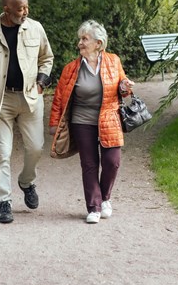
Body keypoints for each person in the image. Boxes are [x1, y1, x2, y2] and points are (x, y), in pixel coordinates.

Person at [0, 0, 54, 223]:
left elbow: (47, 57)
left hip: (30, 99)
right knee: (3, 152)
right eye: (20, 9)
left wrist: (41, 82)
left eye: (27, 7)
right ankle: (3, 202)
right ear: (6, 9)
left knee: (36, 147)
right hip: (1, 102)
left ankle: (26, 181)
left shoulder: (35, 28)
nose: (25, 12)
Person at [49, 20, 134, 223]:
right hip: (82, 119)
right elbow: (59, 97)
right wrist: (54, 122)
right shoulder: (71, 69)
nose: (80, 43)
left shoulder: (113, 61)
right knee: (89, 163)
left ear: (98, 43)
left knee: (112, 162)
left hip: (109, 117)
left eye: (84, 39)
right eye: (80, 39)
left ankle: (105, 197)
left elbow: (122, 88)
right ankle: (94, 207)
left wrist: (125, 86)